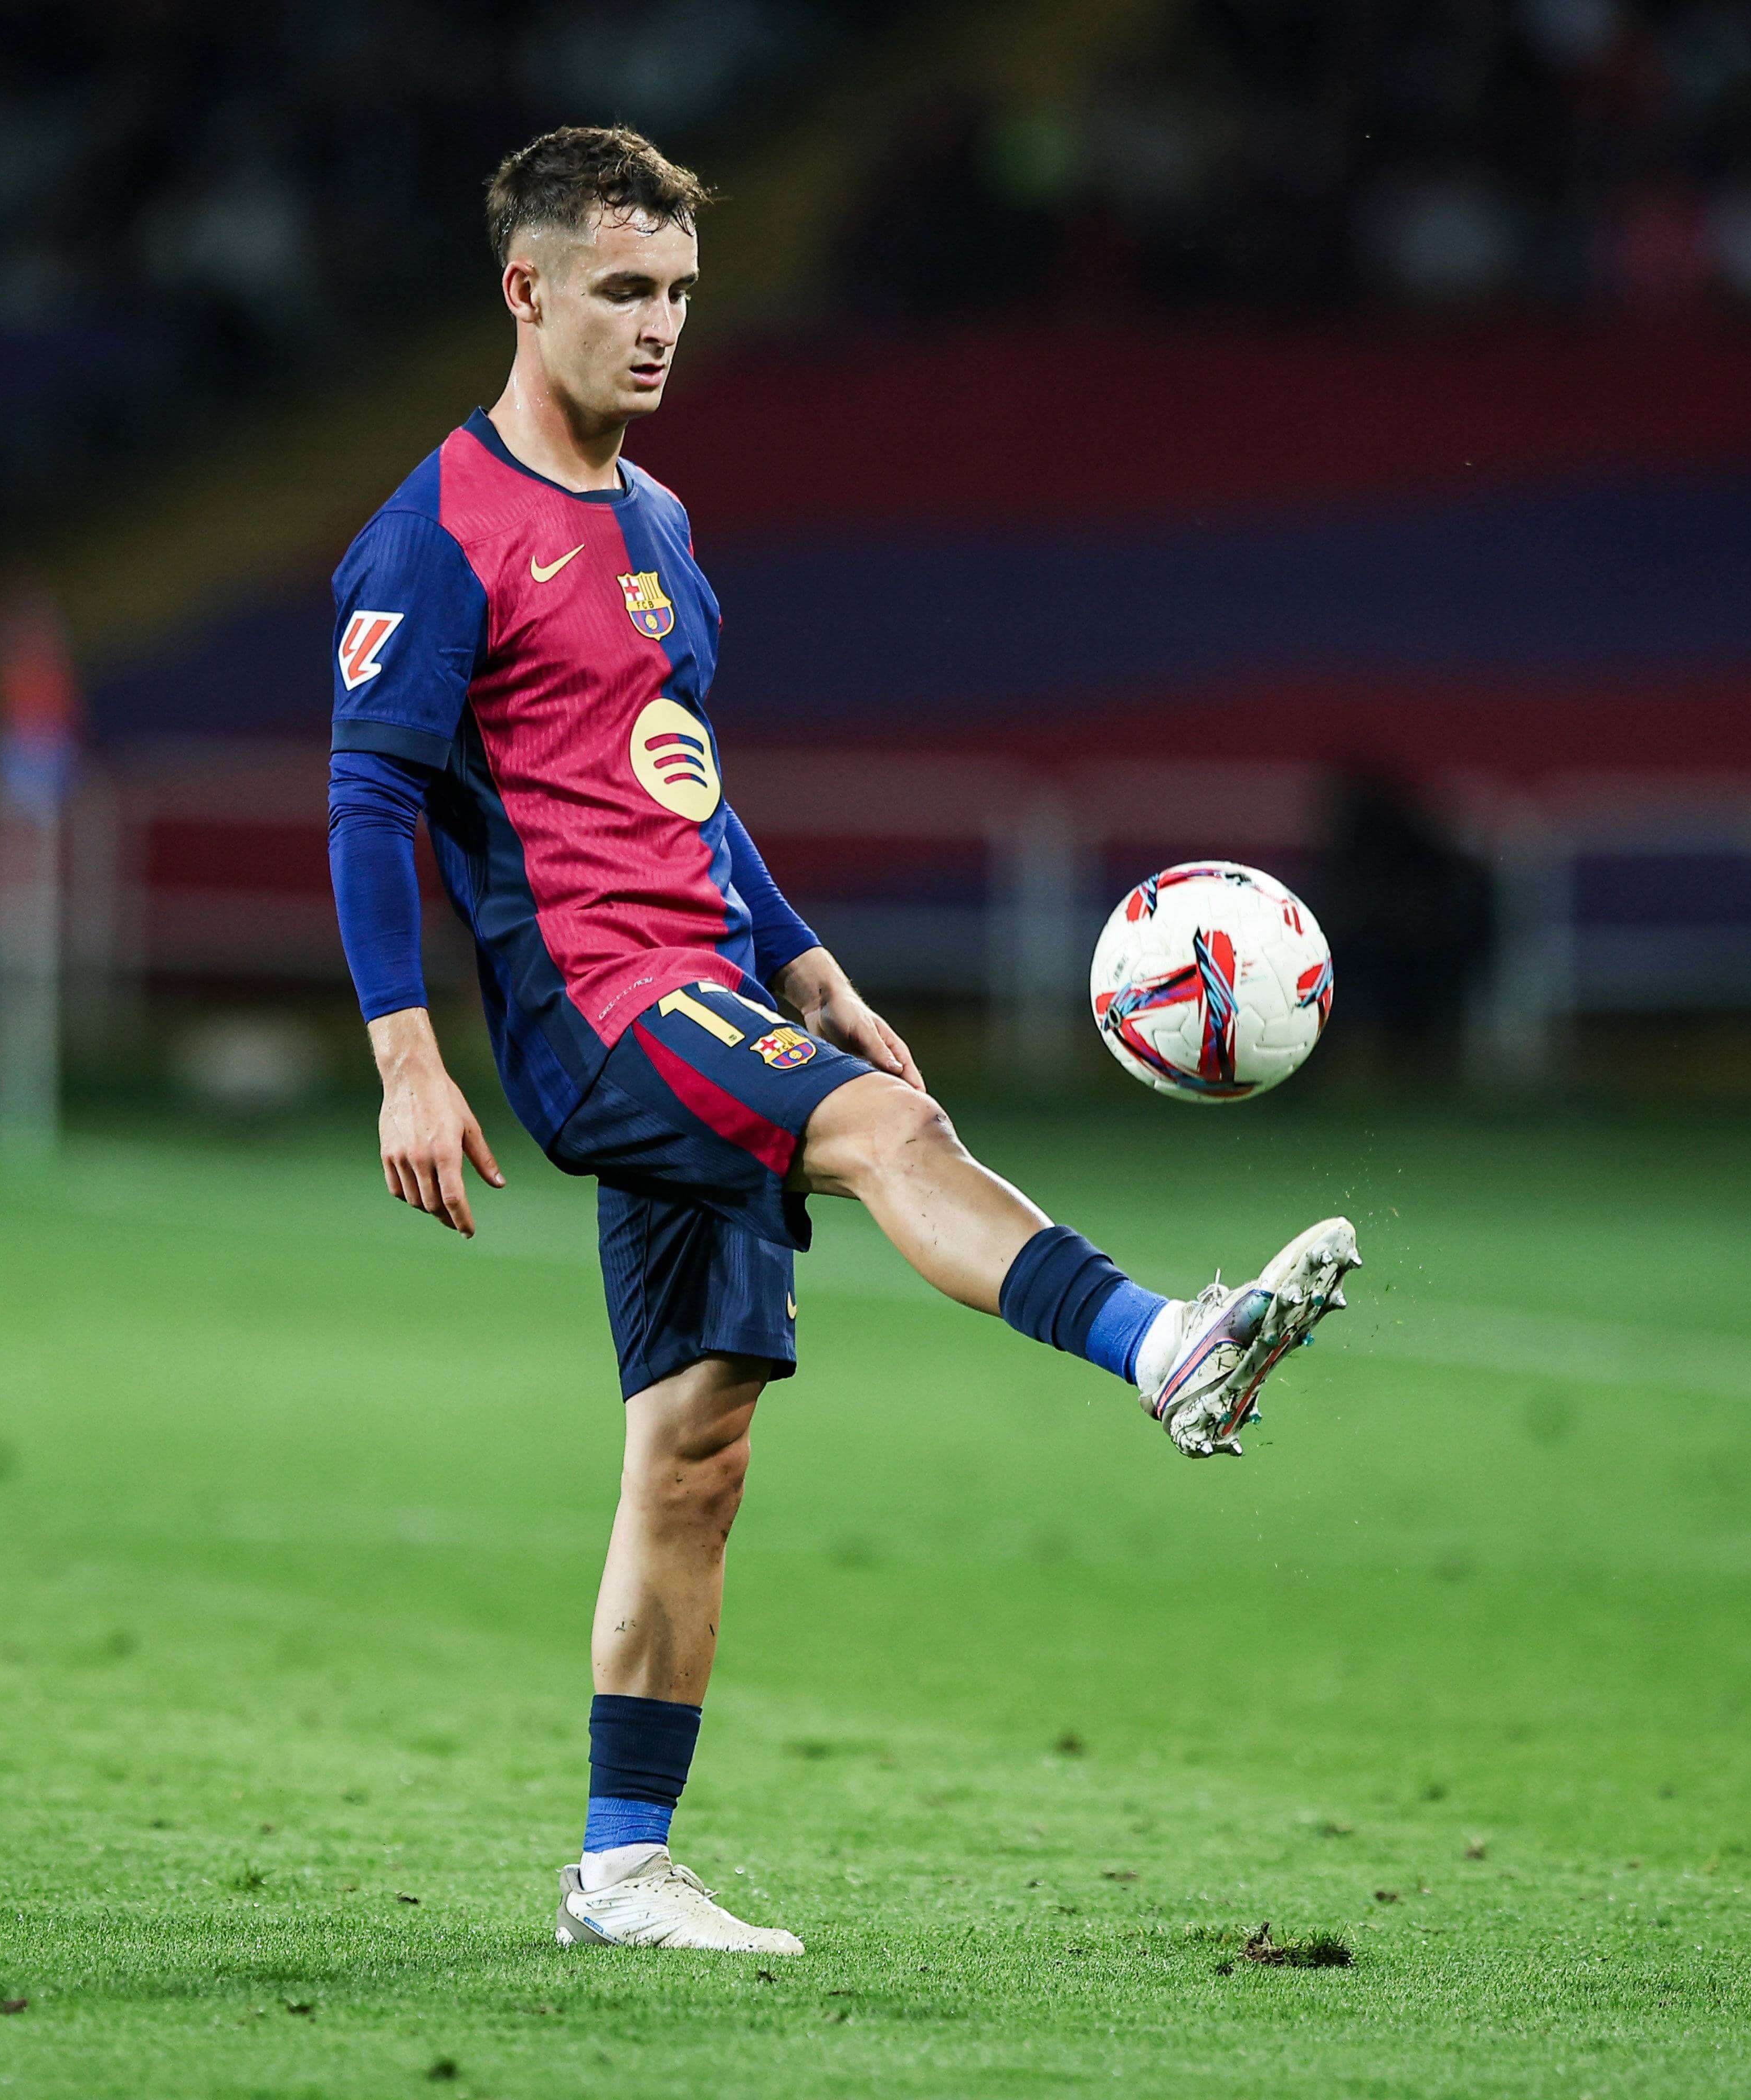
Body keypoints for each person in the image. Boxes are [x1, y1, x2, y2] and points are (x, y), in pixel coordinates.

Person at [322, 128, 1358, 1957]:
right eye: (623, 292)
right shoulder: (435, 535)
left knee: (693, 1454)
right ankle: (1163, 1347)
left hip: (710, 984)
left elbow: (684, 792)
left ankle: (622, 1874)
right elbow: (366, 801)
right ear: (527, 289)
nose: (658, 330)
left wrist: (803, 961)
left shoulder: (658, 529)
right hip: (598, 1010)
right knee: (885, 1132)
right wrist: (410, 1053)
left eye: (680, 296)